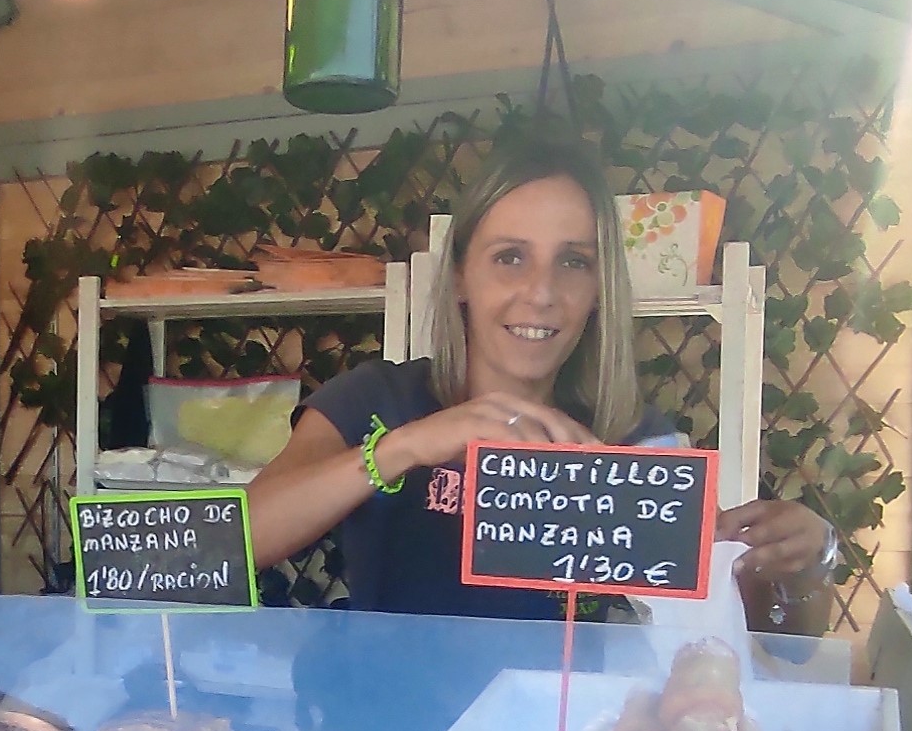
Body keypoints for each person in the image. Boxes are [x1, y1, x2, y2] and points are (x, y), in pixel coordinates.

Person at [248, 133, 837, 631]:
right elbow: (236, 541)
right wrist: (403, 448)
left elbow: (755, 637)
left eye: (573, 261)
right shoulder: (377, 400)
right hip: (389, 728)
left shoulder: (634, 441)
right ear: (460, 277)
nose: (541, 292)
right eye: (510, 257)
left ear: (600, 288)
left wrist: (802, 563)